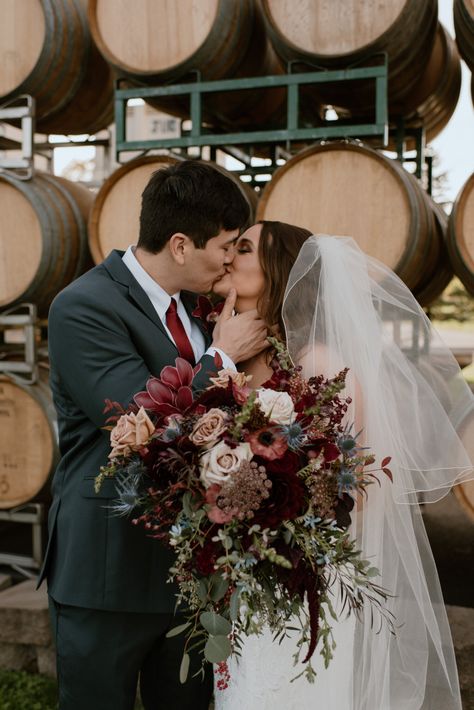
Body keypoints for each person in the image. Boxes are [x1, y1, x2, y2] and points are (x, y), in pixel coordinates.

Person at [212, 220, 474, 710]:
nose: (228, 256)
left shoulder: (320, 361)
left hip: (306, 571)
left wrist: (282, 522)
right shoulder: (237, 356)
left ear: (278, 271)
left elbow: (355, 483)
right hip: (246, 564)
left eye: (244, 248)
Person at [38, 160, 270, 710]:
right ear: (182, 244)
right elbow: (146, 420)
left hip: (192, 574)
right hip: (107, 572)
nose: (230, 258)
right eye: (226, 245)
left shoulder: (200, 305)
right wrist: (222, 357)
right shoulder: (83, 306)